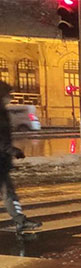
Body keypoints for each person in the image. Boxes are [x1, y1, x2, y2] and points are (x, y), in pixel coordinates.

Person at [0, 81, 41, 234]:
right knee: (8, 192)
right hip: (1, 158)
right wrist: (11, 150)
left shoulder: (2, 111)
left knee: (9, 192)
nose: (9, 97)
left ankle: (20, 220)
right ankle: (19, 220)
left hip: (2, 160)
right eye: (7, 94)